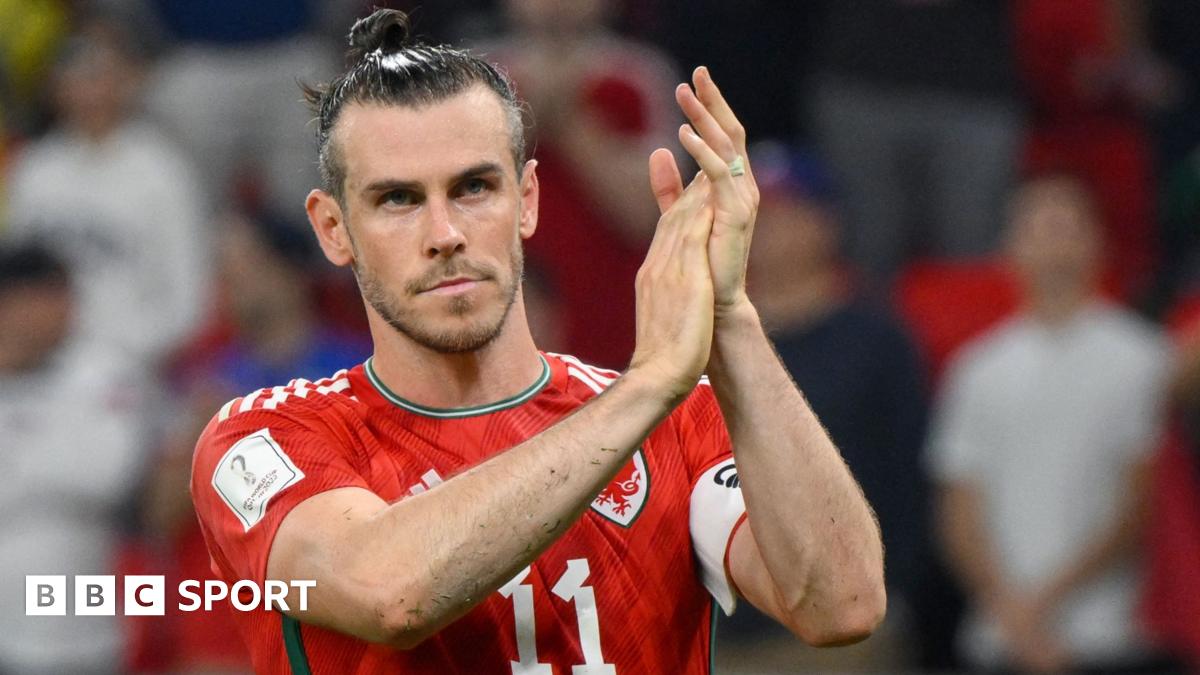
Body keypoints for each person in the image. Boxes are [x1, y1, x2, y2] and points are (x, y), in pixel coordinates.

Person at [189, 8, 885, 674]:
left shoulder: (678, 422)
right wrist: (647, 384)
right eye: (398, 199)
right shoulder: (265, 438)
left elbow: (840, 604)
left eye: (474, 187)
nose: (445, 234)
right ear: (334, 229)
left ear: (526, 200)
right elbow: (389, 592)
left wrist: (730, 317)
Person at [928, 173, 1174, 673]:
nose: (1053, 244)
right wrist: (1015, 615)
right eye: (1037, 228)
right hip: (1000, 640)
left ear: (1099, 243)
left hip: (1114, 635)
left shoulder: (1145, 359)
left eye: (1067, 227)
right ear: (1009, 247)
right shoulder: (977, 369)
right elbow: (958, 513)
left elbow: (1142, 505)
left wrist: (1039, 605)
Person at [4, 10, 209, 367]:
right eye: (77, 78)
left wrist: (132, 351)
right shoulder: (34, 170)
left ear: (124, 81)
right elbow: (16, 282)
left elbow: (188, 296)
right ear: (56, 87)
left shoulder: (161, 169)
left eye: (98, 76)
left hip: (132, 364)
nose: (89, 92)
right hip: (40, 363)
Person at [0, 241, 150, 674]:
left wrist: (14, 460)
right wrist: (52, 441)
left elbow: (107, 472)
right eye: (49, 296)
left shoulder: (104, 370)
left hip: (84, 637)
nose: (66, 307)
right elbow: (73, 464)